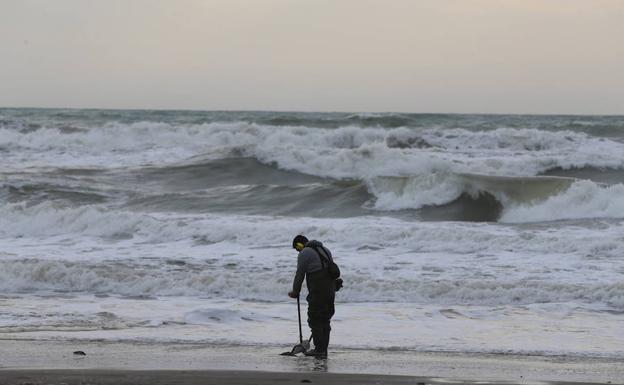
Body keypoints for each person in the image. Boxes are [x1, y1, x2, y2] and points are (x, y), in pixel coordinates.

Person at [288, 234, 337, 358]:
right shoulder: (326, 250)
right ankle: (323, 349)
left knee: (315, 318)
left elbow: (300, 274)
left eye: (297, 248)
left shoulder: (305, 253)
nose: (297, 251)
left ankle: (319, 350)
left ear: (299, 245)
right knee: (325, 319)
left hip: (318, 290)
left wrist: (295, 291)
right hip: (330, 289)